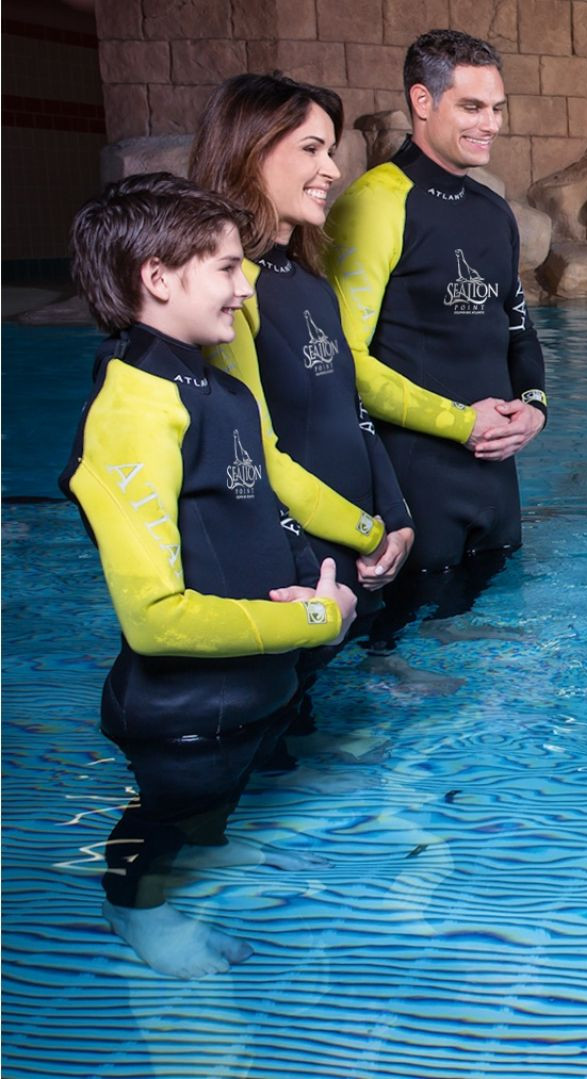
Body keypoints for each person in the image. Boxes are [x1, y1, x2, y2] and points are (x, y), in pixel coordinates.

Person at [60, 174, 374, 977]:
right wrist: (316, 620)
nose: (245, 288)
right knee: (167, 817)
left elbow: (274, 477)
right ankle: (134, 906)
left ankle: (195, 863)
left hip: (249, 684)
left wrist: (371, 531)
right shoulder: (132, 408)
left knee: (214, 806)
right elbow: (154, 617)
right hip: (183, 707)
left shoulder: (217, 384)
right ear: (158, 278)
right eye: (227, 269)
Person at [188, 72, 415, 757]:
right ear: (252, 151)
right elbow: (255, 457)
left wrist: (397, 520)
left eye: (332, 149)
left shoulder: (309, 281)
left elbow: (353, 412)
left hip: (354, 560)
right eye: (313, 149)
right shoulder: (232, 292)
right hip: (298, 571)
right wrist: (365, 530)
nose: (333, 169)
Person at [325, 29, 547, 653]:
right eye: (472, 107)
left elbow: (517, 324)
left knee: (491, 630)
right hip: (415, 476)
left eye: (497, 107)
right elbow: (345, 363)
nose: (492, 124)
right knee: (400, 640)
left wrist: (534, 407)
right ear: (423, 102)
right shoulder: (374, 204)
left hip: (496, 475)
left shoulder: (492, 211)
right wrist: (459, 424)